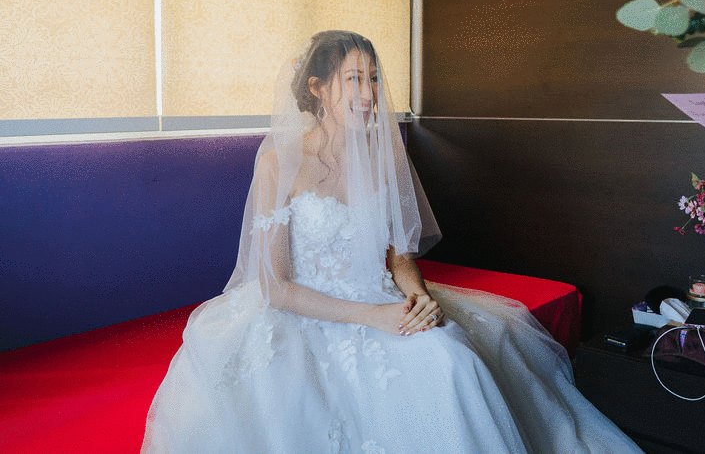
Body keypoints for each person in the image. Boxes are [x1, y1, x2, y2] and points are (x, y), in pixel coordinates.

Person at [142, 31, 643, 454]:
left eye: (374, 79)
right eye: (353, 79)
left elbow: (399, 256)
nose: (369, 94)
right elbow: (275, 286)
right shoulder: (279, 162)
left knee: (453, 360)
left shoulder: (381, 157)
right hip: (304, 309)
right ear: (317, 88)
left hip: (382, 295)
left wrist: (417, 296)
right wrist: (372, 316)